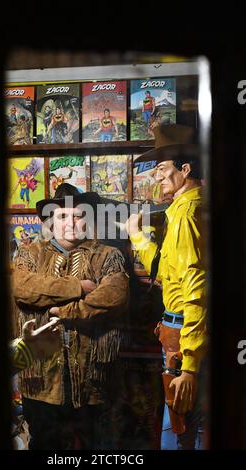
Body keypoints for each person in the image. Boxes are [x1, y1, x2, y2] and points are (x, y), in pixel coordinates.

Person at [12, 183, 129, 450]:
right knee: (44, 445)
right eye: (63, 216)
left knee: (98, 447)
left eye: (78, 215)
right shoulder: (31, 253)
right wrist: (77, 288)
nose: (71, 223)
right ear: (52, 222)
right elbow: (23, 288)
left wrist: (63, 311)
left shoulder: (108, 255)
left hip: (94, 380)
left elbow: (114, 297)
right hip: (40, 379)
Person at [125, 124, 207, 450]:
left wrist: (189, 366)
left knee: (184, 429)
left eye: (161, 168)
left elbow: (196, 288)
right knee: (181, 425)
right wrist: (136, 234)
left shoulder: (187, 214)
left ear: (184, 169)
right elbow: (167, 268)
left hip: (184, 335)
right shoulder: (183, 210)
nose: (156, 176)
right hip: (178, 333)